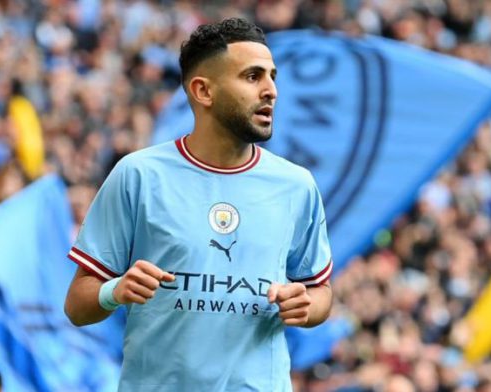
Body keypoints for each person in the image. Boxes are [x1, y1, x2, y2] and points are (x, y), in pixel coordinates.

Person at [64, 17, 333, 391]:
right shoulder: (139, 175)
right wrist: (116, 289)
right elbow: (77, 305)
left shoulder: (296, 185)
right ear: (203, 91)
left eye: (272, 76)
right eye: (253, 77)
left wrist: (305, 305)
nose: (271, 90)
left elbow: (320, 293)